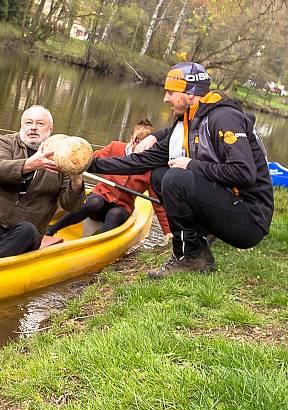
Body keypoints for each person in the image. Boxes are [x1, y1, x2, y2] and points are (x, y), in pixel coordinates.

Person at [89, 62, 274, 278]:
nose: (165, 99)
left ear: (190, 92)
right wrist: (90, 164)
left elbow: (243, 172)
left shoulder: (223, 118)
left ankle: (189, 257)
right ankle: (197, 249)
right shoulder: (189, 121)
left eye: (170, 92)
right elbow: (140, 161)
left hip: (250, 219)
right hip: (227, 205)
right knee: (160, 175)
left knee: (176, 178)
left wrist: (191, 165)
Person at [0, 105, 85, 260]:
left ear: (50, 128)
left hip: (26, 235)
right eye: (28, 123)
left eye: (40, 124)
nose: (33, 128)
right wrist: (29, 164)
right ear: (22, 126)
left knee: (27, 229)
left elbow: (71, 205)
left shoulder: (63, 155)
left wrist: (76, 179)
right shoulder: (7, 142)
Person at [46, 119, 171, 238]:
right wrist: (71, 161)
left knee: (114, 214)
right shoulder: (115, 147)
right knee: (94, 203)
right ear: (132, 139)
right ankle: (53, 228)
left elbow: (157, 203)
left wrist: (168, 232)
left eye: (144, 145)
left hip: (122, 207)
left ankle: (97, 243)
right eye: (137, 141)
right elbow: (89, 160)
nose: (139, 147)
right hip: (100, 197)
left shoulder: (150, 168)